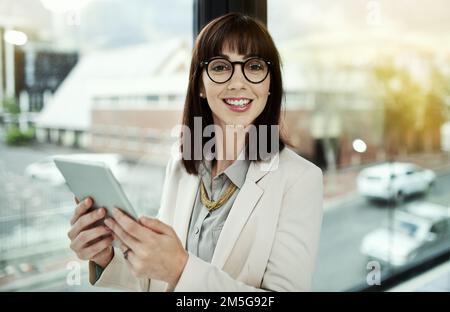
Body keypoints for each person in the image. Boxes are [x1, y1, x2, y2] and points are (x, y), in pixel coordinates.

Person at [67, 12, 323, 292]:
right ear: (200, 84)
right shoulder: (181, 166)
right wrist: (105, 256)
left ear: (270, 83)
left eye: (254, 66)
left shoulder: (300, 180)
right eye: (221, 67)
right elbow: (155, 280)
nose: (238, 82)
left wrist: (181, 268)